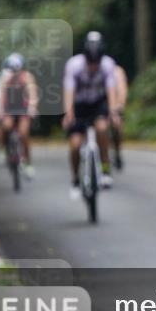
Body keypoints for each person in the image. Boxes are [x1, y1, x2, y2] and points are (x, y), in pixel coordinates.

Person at [62, 32, 121, 199]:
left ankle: (105, 170)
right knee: (74, 145)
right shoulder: (74, 65)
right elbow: (68, 90)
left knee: (102, 129)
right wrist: (68, 113)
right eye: (90, 61)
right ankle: (75, 180)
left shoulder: (108, 64)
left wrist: (113, 112)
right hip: (79, 105)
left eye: (97, 61)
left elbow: (111, 90)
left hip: (97, 103)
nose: (94, 65)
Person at [0, 53, 40, 178]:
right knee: (6, 126)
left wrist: (32, 107)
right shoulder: (4, 79)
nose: (14, 73)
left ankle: (28, 163)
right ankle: (2, 148)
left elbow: (32, 94)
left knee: (23, 133)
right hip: (10, 108)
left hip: (23, 108)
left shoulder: (28, 77)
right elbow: (1, 97)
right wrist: (0, 111)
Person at [111, 64, 128, 170]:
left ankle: (117, 152)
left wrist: (119, 106)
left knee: (117, 125)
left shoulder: (117, 71)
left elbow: (122, 90)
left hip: (113, 106)